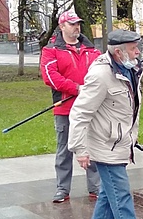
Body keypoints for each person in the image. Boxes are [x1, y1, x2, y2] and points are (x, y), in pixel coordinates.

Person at [68, 29, 143, 219]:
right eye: (133, 48)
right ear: (118, 51)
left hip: (119, 143)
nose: (138, 51)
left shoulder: (129, 68)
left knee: (109, 193)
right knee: (121, 194)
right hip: (104, 146)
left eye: (137, 47)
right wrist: (80, 149)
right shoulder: (100, 75)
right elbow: (79, 113)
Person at [40, 10, 101, 203]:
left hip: (91, 108)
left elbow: (102, 72)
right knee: (64, 150)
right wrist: (76, 88)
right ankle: (62, 189)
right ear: (62, 26)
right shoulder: (50, 50)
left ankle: (96, 187)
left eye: (78, 24)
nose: (76, 27)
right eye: (72, 24)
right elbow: (50, 77)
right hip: (64, 108)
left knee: (91, 146)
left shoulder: (92, 51)